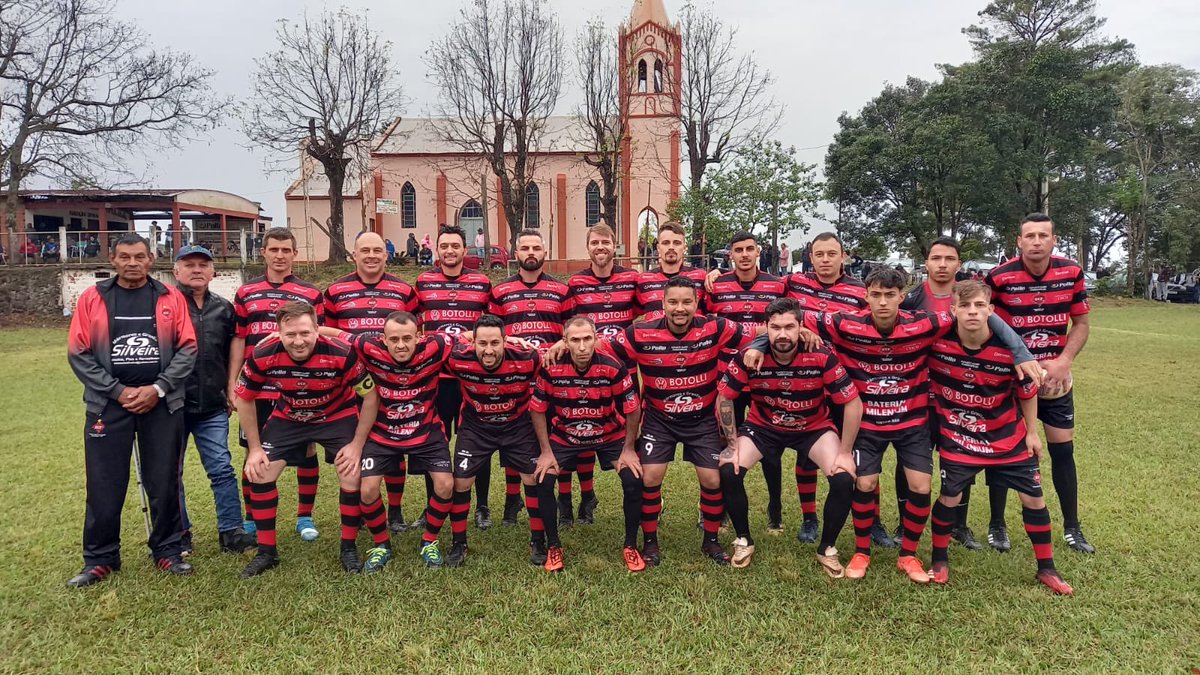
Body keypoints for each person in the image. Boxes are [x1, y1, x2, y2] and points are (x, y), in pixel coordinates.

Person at [743, 267, 1039, 583]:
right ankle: (861, 552)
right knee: (865, 484)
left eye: (890, 295)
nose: (882, 302)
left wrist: (1020, 351)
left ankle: (908, 555)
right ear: (866, 296)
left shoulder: (925, 323)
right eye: (876, 295)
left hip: (912, 422)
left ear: (902, 297)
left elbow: (981, 313)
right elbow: (788, 323)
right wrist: (760, 344)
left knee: (920, 486)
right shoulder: (845, 322)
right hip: (867, 424)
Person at [66, 233, 197, 587]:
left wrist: (158, 388)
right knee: (104, 483)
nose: (132, 263)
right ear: (113, 259)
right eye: (125, 257)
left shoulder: (170, 297)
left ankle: (168, 551)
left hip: (161, 403)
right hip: (107, 406)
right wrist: (117, 391)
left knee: (164, 479)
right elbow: (78, 353)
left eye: (139, 257)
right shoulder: (93, 299)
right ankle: (100, 558)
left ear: (150, 259)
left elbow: (187, 348)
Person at [926, 280, 1073, 595]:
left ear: (991, 311)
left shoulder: (1011, 351)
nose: (972, 312)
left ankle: (1047, 568)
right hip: (959, 436)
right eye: (964, 306)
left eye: (979, 306)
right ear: (953, 311)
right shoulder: (937, 344)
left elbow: (1027, 391)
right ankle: (939, 560)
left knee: (1034, 497)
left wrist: (1032, 433)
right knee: (949, 495)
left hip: (1007, 437)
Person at [603, 276, 749, 566]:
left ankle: (710, 541)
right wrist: (560, 347)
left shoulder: (715, 327)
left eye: (686, 302)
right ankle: (650, 542)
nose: (679, 308)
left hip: (702, 419)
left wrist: (765, 342)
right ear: (662, 304)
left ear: (696, 303)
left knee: (711, 478)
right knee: (650, 477)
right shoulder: (640, 332)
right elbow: (600, 346)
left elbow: (754, 333)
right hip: (659, 419)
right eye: (672, 302)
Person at [716, 298, 861, 573]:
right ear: (766, 329)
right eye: (775, 327)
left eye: (789, 327)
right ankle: (744, 539)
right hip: (764, 427)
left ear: (800, 328)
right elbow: (724, 398)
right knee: (728, 469)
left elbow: (852, 401)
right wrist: (732, 445)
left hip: (812, 428)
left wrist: (844, 452)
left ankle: (827, 548)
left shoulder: (820, 353)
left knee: (843, 478)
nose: (782, 334)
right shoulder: (749, 355)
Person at [235, 302, 379, 577]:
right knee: (259, 473)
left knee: (351, 474)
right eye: (290, 335)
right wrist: (254, 448)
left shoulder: (341, 353)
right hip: (289, 417)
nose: (298, 341)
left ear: (317, 330)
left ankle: (348, 547)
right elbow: (244, 398)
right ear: (278, 333)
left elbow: (370, 397)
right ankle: (267, 552)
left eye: (304, 333)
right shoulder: (264, 353)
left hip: (336, 416)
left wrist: (357, 445)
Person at [985, 212, 1094, 554]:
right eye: (1029, 236)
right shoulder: (999, 277)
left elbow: (1081, 324)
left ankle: (1072, 527)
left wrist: (1064, 361)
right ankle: (997, 524)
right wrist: (1014, 360)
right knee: (1005, 452)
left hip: (1055, 381)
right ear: (1018, 241)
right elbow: (987, 322)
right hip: (1011, 380)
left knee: (1063, 451)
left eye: (1042, 236)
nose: (1035, 241)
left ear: (1053, 239)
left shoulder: (1071, 272)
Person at [319, 312, 456, 573]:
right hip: (382, 432)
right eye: (394, 339)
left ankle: (429, 541)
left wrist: (516, 342)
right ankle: (382, 544)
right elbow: (337, 333)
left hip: (425, 430)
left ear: (419, 337)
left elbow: (470, 337)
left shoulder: (437, 345)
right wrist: (301, 332)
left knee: (446, 484)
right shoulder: (367, 345)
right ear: (383, 339)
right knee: (367, 490)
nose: (401, 345)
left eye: (407, 338)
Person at [229, 228, 325, 540]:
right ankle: (252, 518)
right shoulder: (246, 292)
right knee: (251, 454)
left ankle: (304, 517)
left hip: (297, 388)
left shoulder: (311, 294)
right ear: (264, 252)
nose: (280, 256)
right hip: (257, 389)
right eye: (274, 250)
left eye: (286, 250)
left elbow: (318, 339)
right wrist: (233, 380)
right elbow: (239, 337)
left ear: (295, 254)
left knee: (307, 450)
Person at [530, 316, 643, 572]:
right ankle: (554, 546)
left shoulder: (613, 366)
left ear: (596, 339)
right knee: (543, 480)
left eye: (587, 339)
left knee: (633, 479)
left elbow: (632, 409)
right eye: (575, 340)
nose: (582, 346)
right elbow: (537, 409)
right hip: (565, 436)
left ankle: (630, 545)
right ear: (565, 342)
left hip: (609, 436)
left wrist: (627, 449)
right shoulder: (551, 367)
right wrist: (546, 452)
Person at [324, 232, 418, 533]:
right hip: (352, 382)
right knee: (359, 445)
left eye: (378, 249)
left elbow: (416, 333)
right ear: (354, 254)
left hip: (393, 379)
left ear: (386, 254)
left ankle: (396, 511)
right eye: (365, 250)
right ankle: (363, 508)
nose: (372, 255)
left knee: (395, 445)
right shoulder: (336, 290)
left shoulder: (404, 290)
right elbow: (327, 333)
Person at [782, 232, 873, 545]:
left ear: (843, 256)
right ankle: (809, 518)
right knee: (807, 454)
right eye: (818, 254)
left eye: (831, 254)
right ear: (810, 255)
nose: (824, 260)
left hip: (848, 381)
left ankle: (872, 520)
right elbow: (770, 304)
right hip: (805, 380)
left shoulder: (860, 291)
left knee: (862, 456)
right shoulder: (794, 284)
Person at [172, 245, 256, 556]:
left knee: (221, 468)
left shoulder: (224, 309)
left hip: (212, 404)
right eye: (189, 264)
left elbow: (235, 347)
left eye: (203, 265)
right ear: (176, 271)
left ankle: (231, 531)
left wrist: (232, 387)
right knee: (171, 471)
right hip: (171, 405)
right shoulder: (164, 305)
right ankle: (178, 533)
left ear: (213, 272)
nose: (196, 270)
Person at [441, 314, 543, 567]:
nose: (488, 350)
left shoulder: (528, 358)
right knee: (461, 482)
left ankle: (538, 540)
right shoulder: (457, 358)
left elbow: (559, 354)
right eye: (482, 343)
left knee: (532, 478)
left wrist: (561, 344)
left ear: (505, 341)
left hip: (517, 426)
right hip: (476, 428)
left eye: (495, 343)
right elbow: (437, 340)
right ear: (472, 342)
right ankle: (459, 543)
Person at [703, 231, 788, 533]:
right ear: (730, 255)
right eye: (738, 250)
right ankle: (723, 510)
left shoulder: (777, 285)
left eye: (749, 249)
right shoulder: (717, 286)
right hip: (728, 378)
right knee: (727, 443)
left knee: (771, 446)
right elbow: (704, 325)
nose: (744, 255)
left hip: (766, 378)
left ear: (758, 251)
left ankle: (775, 508)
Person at [900, 237, 980, 551]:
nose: (942, 264)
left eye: (949, 258)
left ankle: (959, 525)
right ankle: (904, 521)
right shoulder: (912, 299)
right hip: (919, 394)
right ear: (927, 263)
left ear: (958, 264)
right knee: (909, 460)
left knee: (962, 459)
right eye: (936, 258)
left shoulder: (968, 297)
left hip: (960, 396)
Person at [559, 223, 641, 525]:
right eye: (595, 242)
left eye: (606, 241)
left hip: (623, 374)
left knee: (625, 437)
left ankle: (643, 503)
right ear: (588, 246)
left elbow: (657, 305)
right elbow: (567, 325)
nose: (601, 247)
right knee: (577, 432)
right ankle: (569, 501)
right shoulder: (576, 282)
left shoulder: (632, 278)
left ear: (615, 244)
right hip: (585, 372)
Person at [488, 229, 571, 525]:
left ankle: (565, 500)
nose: (531, 252)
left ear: (545, 253)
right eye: (525, 247)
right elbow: (491, 334)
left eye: (536, 247)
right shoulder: (500, 292)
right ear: (516, 253)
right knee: (517, 437)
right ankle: (513, 499)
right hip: (514, 378)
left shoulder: (561, 290)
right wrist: (511, 342)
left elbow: (572, 329)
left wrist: (563, 342)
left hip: (553, 376)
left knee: (558, 435)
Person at [415, 225, 496, 529]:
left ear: (465, 250)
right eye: (444, 246)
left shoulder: (482, 283)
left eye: (455, 246)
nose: (450, 251)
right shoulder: (423, 282)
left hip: (472, 378)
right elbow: (411, 323)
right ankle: (431, 505)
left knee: (477, 440)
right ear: (437, 250)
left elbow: (492, 325)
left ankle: (483, 506)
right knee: (433, 442)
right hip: (434, 379)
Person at [636, 222, 708, 322]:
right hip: (655, 337)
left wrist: (718, 271)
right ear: (658, 248)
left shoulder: (701, 277)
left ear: (684, 248)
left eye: (677, 243)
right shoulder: (643, 280)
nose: (671, 247)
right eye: (665, 243)